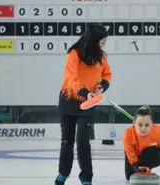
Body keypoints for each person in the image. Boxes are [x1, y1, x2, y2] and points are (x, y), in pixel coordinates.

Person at [54, 24, 112, 185]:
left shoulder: (100, 57)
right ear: (93, 41)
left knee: (83, 141)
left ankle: (86, 178)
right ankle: (62, 174)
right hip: (69, 101)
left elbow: (107, 74)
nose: (103, 45)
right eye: (101, 42)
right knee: (67, 141)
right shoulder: (74, 54)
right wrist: (86, 93)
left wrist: (102, 86)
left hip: (88, 103)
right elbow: (71, 80)